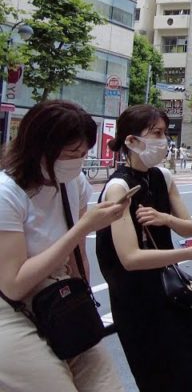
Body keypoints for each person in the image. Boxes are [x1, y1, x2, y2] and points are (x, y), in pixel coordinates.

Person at [0, 101, 128, 391]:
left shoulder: (74, 182)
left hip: (59, 297)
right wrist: (83, 227)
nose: (79, 162)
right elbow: (14, 285)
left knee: (106, 385)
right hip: (11, 308)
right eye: (72, 153)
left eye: (84, 154)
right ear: (39, 147)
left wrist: (83, 303)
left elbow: (78, 256)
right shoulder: (7, 194)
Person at [95, 104, 192, 391]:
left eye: (164, 133)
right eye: (156, 133)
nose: (163, 140)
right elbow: (130, 258)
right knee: (160, 377)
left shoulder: (162, 177)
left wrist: (164, 218)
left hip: (169, 293)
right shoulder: (118, 187)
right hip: (136, 301)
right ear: (131, 141)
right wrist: (189, 254)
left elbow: (190, 227)